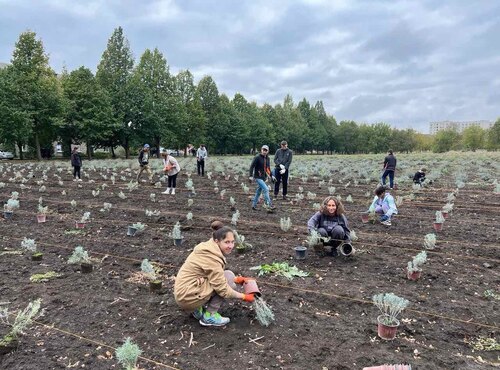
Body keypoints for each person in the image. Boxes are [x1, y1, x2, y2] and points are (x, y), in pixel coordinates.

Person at [174, 222, 255, 327]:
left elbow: (215, 275)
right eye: (227, 242)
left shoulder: (208, 247)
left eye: (232, 242)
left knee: (229, 275)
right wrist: (244, 296)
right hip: (187, 297)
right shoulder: (211, 258)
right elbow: (223, 290)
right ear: (217, 241)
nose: (231, 246)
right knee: (228, 283)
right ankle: (209, 316)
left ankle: (197, 309)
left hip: (186, 291)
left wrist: (237, 279)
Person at [249, 145, 275, 212]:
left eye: (266, 150)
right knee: (266, 189)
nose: (264, 151)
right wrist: (250, 176)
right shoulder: (257, 157)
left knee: (258, 192)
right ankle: (269, 205)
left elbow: (268, 169)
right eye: (263, 150)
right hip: (257, 177)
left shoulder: (267, 158)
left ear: (268, 151)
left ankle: (253, 206)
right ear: (261, 150)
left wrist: (272, 176)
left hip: (263, 177)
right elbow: (252, 166)